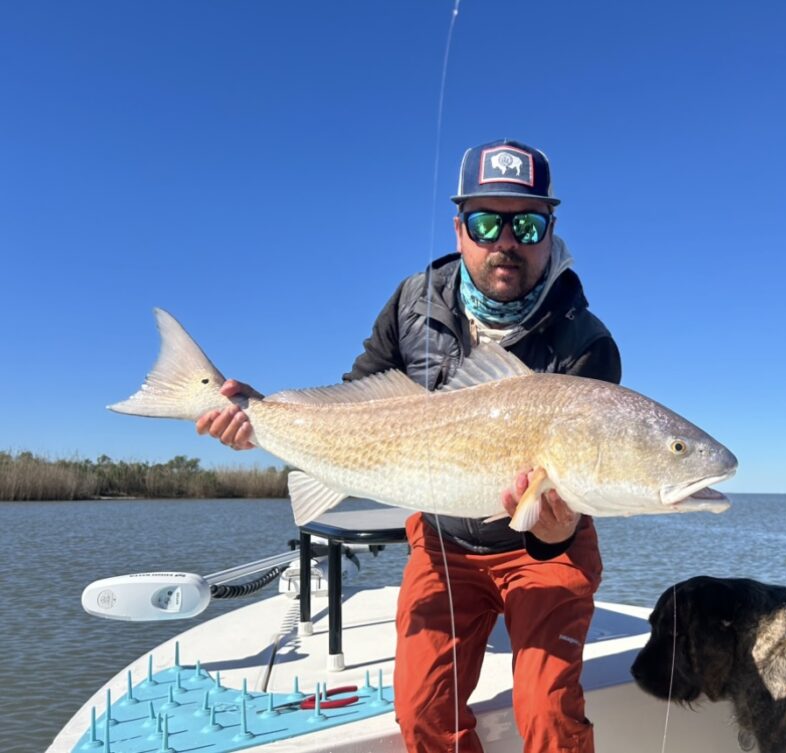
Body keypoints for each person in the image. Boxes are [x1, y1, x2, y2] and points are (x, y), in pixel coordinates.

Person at [196, 138, 621, 753]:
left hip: (545, 551)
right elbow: (354, 399)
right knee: (422, 713)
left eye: (526, 223)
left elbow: (580, 492)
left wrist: (554, 533)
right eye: (486, 221)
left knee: (549, 716)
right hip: (445, 543)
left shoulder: (587, 341)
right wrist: (259, 416)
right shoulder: (411, 302)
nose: (506, 241)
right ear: (459, 228)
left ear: (550, 232)